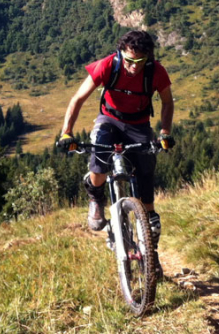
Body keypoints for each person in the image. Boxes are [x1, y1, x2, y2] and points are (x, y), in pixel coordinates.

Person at [58, 30, 174, 276]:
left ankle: (150, 252)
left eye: (139, 62)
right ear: (121, 54)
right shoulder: (109, 65)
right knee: (99, 155)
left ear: (148, 58)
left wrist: (164, 132)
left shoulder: (156, 71)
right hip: (109, 120)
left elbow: (167, 101)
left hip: (139, 125)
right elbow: (78, 98)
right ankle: (95, 195)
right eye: (129, 60)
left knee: (145, 171)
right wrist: (66, 132)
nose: (133, 67)